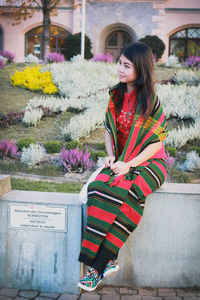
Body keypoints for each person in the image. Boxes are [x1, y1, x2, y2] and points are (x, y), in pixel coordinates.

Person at [77, 42, 168, 292]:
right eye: (120, 63)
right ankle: (108, 260)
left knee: (127, 193)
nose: (120, 69)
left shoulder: (151, 101)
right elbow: (109, 131)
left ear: (141, 69)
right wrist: (110, 157)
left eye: (127, 65)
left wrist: (129, 165)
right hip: (122, 160)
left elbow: (155, 143)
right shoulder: (115, 95)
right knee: (98, 187)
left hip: (149, 162)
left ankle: (98, 267)